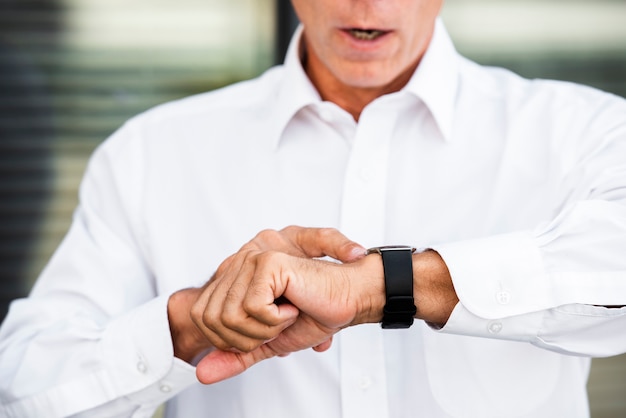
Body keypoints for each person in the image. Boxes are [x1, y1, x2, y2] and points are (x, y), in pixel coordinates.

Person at [1, 0, 626, 417]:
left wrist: (373, 288)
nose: (367, 2)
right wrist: (193, 322)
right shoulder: (148, 152)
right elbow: (24, 386)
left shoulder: (585, 131)